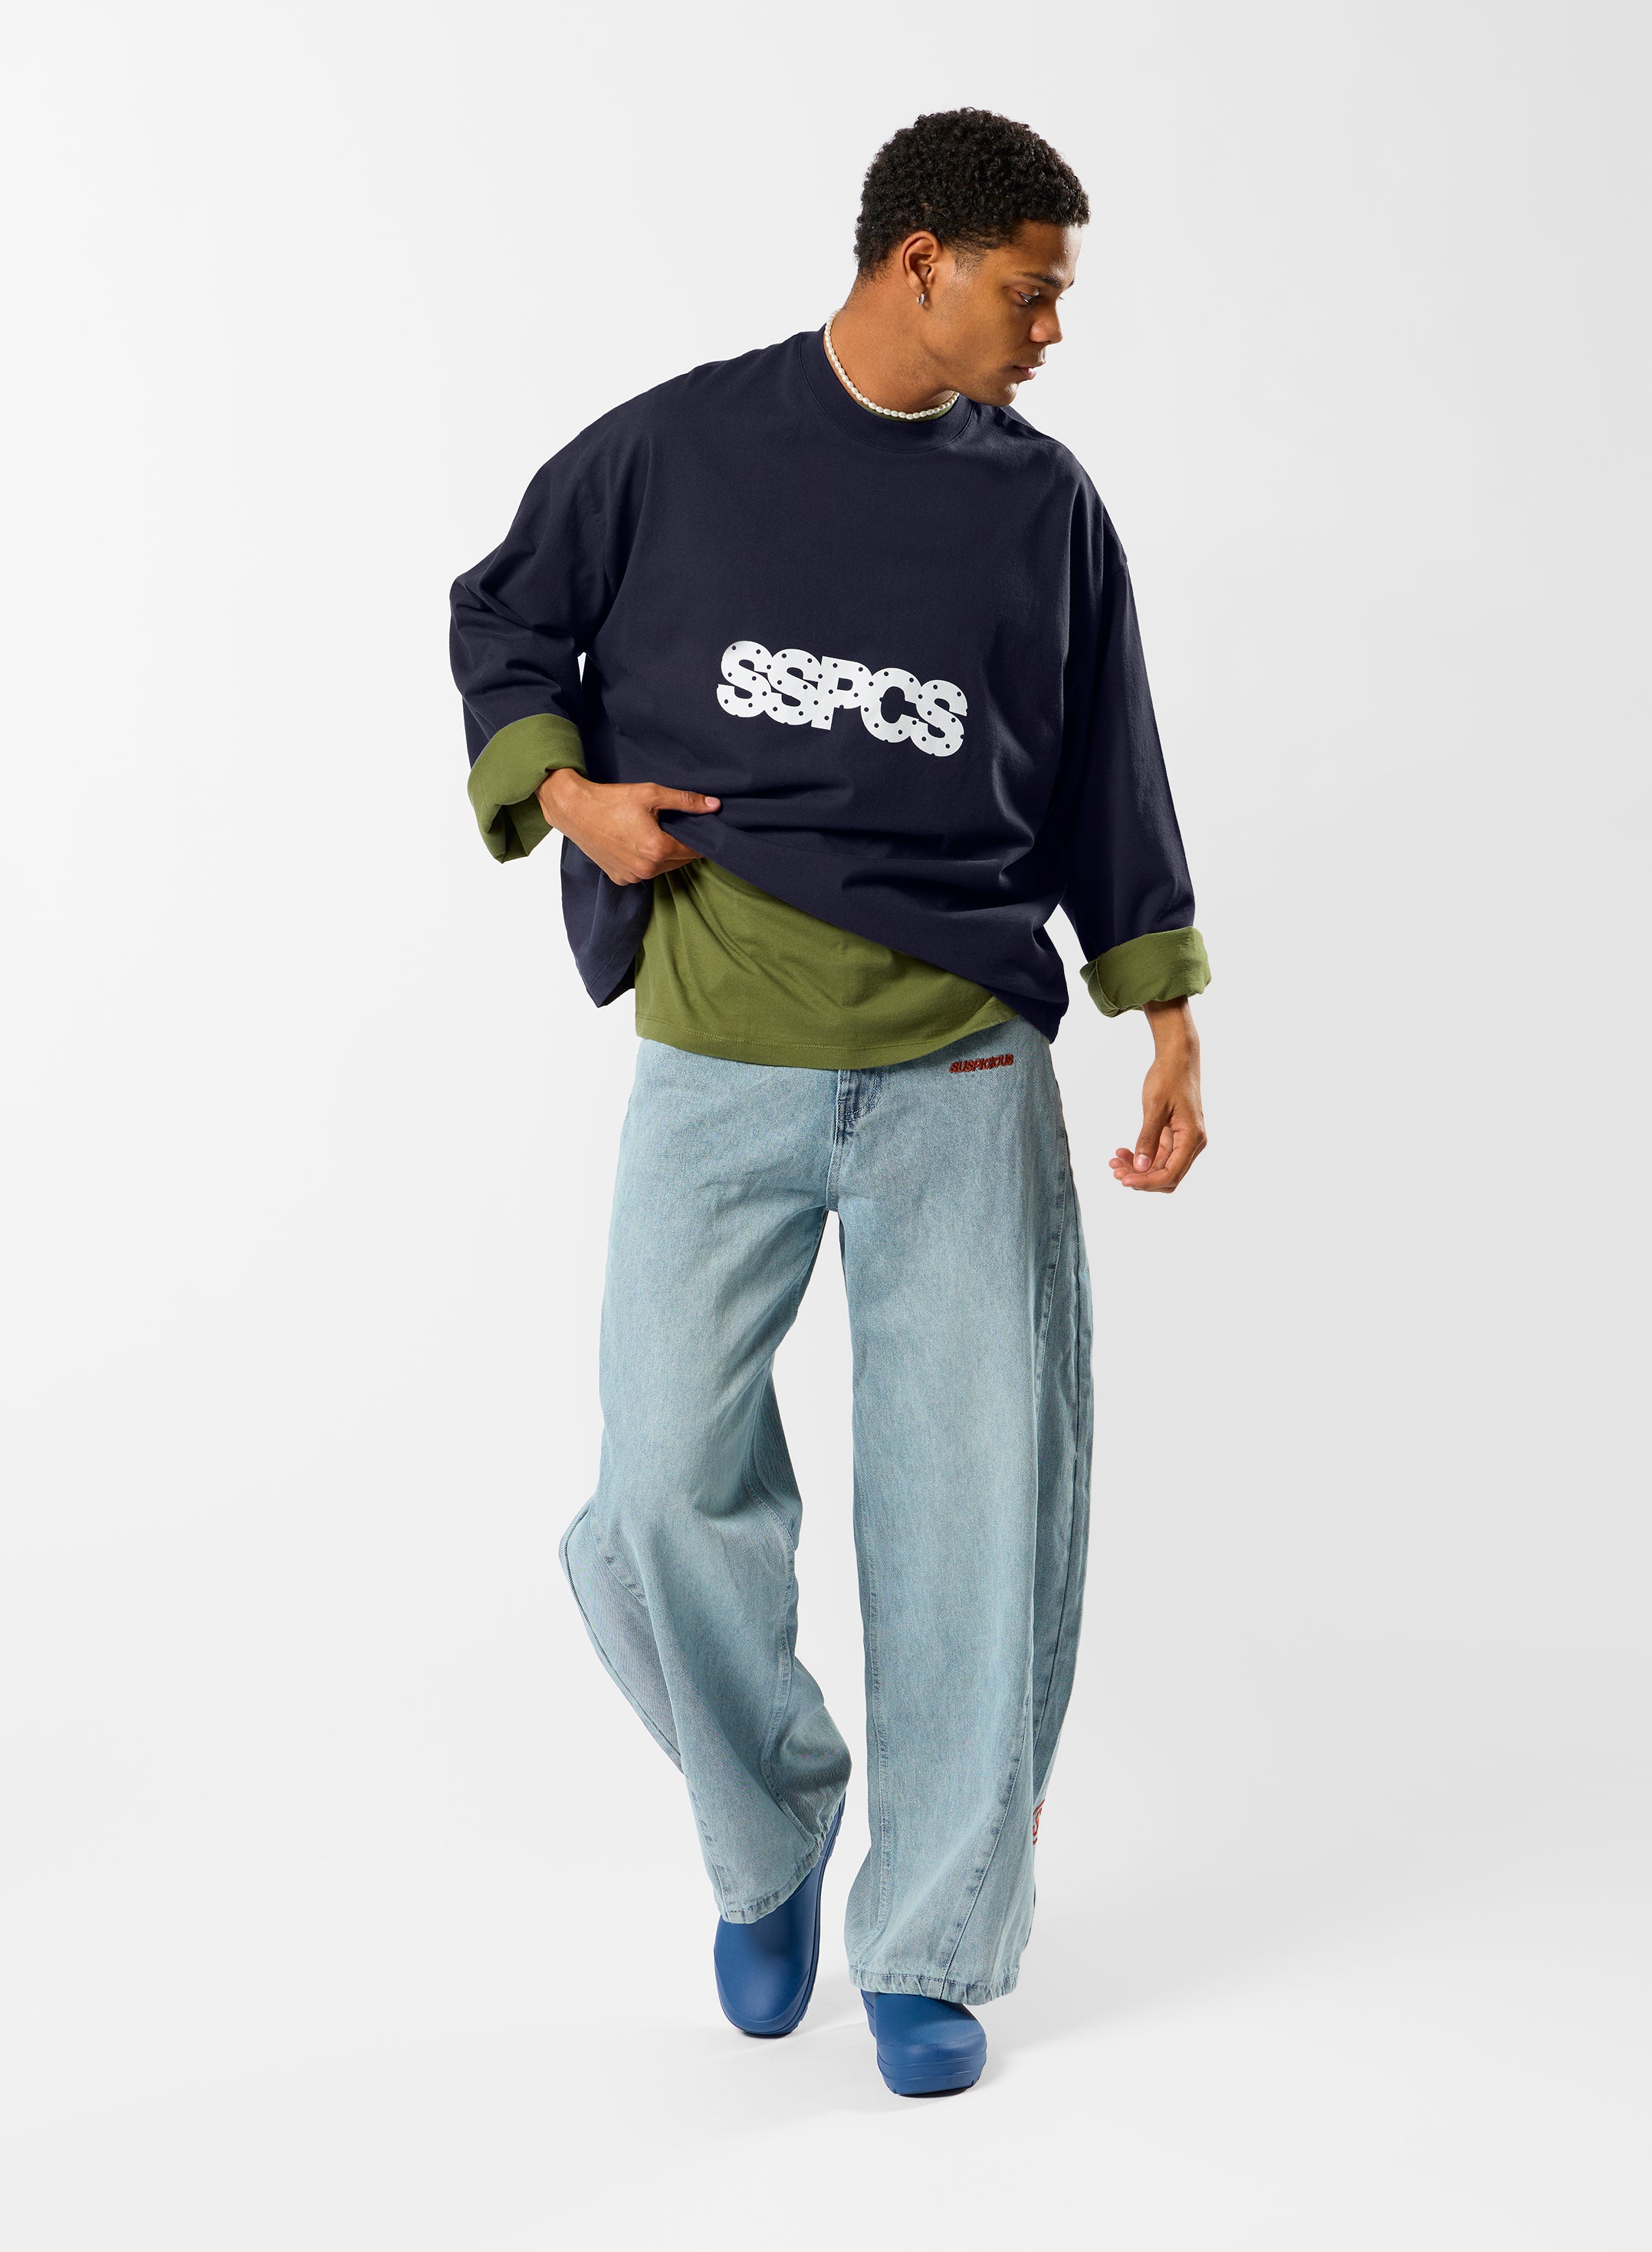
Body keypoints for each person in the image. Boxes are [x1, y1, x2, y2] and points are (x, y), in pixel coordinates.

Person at [450, 108, 1206, 2098]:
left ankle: (932, 1939)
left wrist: (1163, 1015)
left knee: (975, 1517)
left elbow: (1110, 768)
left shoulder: (1044, 508)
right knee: (657, 1490)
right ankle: (770, 1826)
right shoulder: (677, 449)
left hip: (963, 1067)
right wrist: (566, 793)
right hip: (720, 1056)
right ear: (919, 262)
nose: (1053, 330)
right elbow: (504, 616)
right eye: (1031, 290)